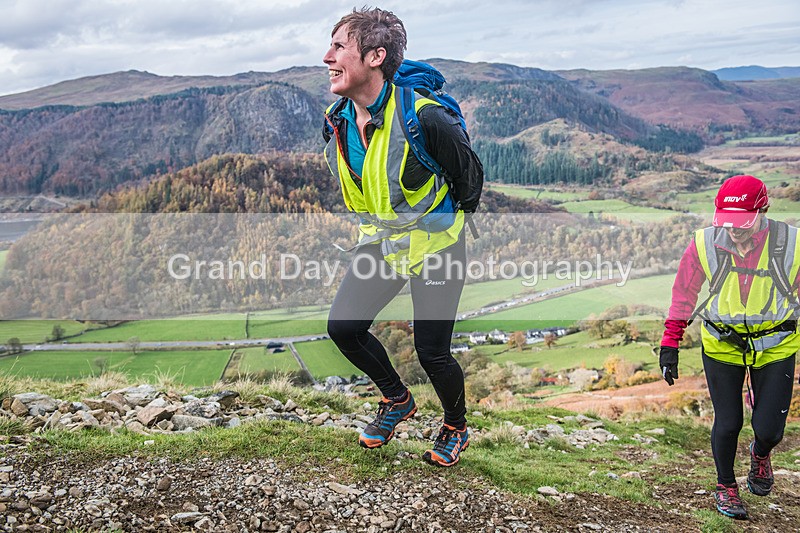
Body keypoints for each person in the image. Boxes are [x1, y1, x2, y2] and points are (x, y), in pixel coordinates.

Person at [321, 7, 483, 467]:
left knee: (432, 352)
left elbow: (469, 178)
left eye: (339, 47)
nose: (327, 56)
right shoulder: (339, 119)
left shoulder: (425, 118)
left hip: (437, 247)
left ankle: (455, 425)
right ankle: (397, 400)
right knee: (344, 328)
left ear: (376, 56)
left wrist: (448, 230)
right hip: (384, 244)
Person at [660, 175, 800, 519]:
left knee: (769, 430)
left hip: (776, 345)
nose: (734, 230)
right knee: (728, 422)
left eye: (742, 223)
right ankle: (726, 487)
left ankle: (760, 454)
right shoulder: (703, 244)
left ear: (762, 211)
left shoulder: (793, 244)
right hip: (722, 345)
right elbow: (684, 295)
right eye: (726, 222)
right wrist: (670, 344)